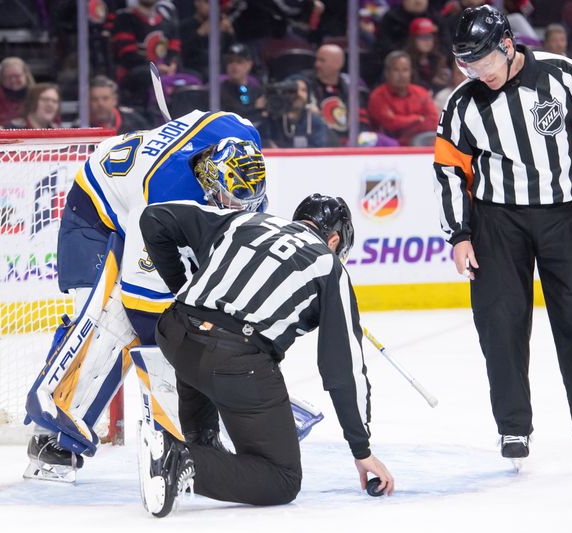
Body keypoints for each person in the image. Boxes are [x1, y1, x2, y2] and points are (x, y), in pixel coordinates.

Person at [433, 5, 572, 472]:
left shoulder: (562, 74)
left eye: (481, 61)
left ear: (507, 45)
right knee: (500, 324)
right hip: (496, 222)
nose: (476, 71)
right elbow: (448, 172)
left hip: (566, 216)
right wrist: (459, 235)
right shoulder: (464, 103)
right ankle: (513, 426)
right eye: (466, 64)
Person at [22, 110, 268, 482]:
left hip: (141, 182)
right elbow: (143, 310)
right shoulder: (162, 199)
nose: (240, 212)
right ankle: (51, 436)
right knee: (106, 324)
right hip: (95, 214)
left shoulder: (243, 136)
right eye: (230, 202)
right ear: (207, 181)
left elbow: (210, 117)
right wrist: (192, 353)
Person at [138, 194, 394, 517]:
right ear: (333, 240)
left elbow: (154, 218)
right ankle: (179, 459)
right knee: (283, 478)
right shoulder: (329, 267)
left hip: (175, 332)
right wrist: (362, 448)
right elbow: (342, 369)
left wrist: (184, 288)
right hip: (231, 358)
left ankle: (197, 450)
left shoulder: (244, 220)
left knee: (204, 364)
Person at [367, 50, 439, 146]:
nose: (401, 75)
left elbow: (433, 121)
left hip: (418, 143)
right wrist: (417, 119)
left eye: (405, 70)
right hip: (387, 146)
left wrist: (406, 124)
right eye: (396, 70)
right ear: (387, 73)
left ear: (410, 72)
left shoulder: (421, 93)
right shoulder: (378, 96)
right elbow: (390, 124)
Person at [260, 77, 330, 148]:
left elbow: (319, 150)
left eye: (303, 90)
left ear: (309, 96)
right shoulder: (273, 119)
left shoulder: (314, 122)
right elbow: (262, 142)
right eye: (293, 91)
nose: (298, 94)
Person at [86, 75, 152, 133]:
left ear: (115, 100)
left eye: (105, 98)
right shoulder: (80, 126)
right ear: (88, 102)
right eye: (94, 99)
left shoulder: (136, 123)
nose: (100, 104)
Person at [0, 57, 35, 127]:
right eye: (8, 77)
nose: (13, 80)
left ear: (26, 74)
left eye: (17, 76)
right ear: (1, 78)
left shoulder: (37, 96)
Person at [219, 43, 265, 124]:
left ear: (249, 64)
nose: (234, 65)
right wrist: (256, 108)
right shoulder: (219, 92)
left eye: (239, 61)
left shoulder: (258, 91)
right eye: (230, 61)